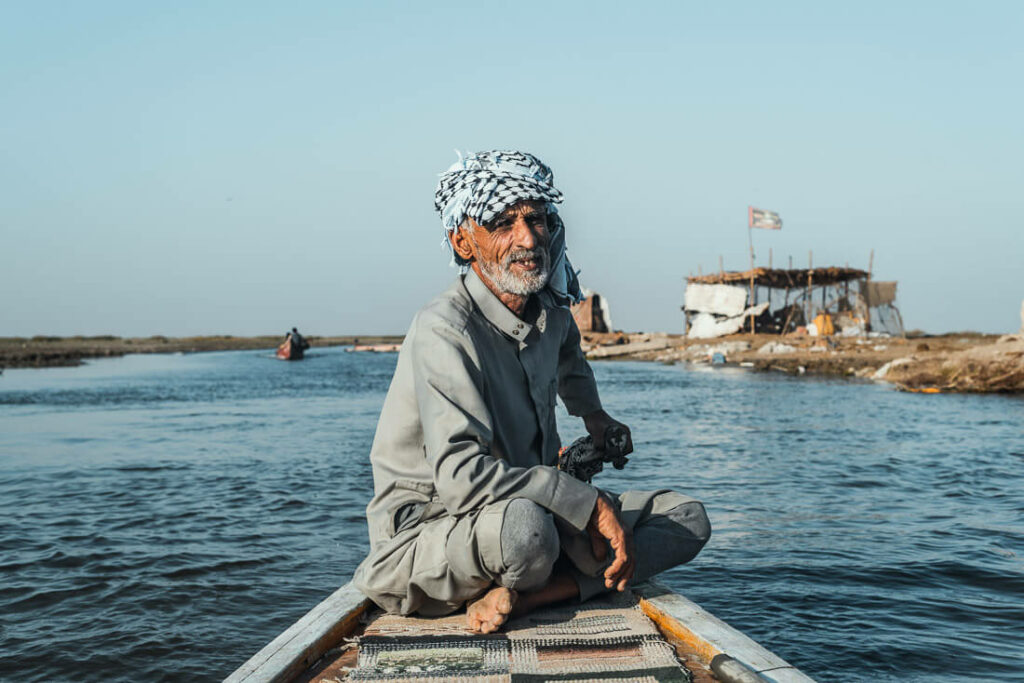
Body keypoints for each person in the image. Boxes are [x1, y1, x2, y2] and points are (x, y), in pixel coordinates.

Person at [353, 150, 710, 633]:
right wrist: (585, 502)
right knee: (528, 532)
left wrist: (597, 420)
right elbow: (461, 479)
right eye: (503, 223)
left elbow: (571, 365)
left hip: (533, 500)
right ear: (464, 241)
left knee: (686, 517)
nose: (528, 238)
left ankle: (529, 597)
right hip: (436, 527)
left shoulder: (550, 311)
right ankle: (539, 577)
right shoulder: (445, 330)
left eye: (536, 219)